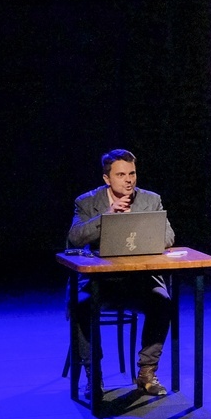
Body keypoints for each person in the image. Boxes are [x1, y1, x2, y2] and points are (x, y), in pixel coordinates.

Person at [66, 148, 174, 399]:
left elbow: (169, 236)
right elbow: (75, 237)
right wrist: (108, 216)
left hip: (139, 280)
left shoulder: (150, 200)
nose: (128, 180)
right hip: (100, 282)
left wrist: (138, 228)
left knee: (162, 301)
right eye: (121, 174)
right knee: (80, 306)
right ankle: (94, 376)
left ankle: (147, 372)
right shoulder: (87, 202)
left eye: (132, 173)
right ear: (107, 178)